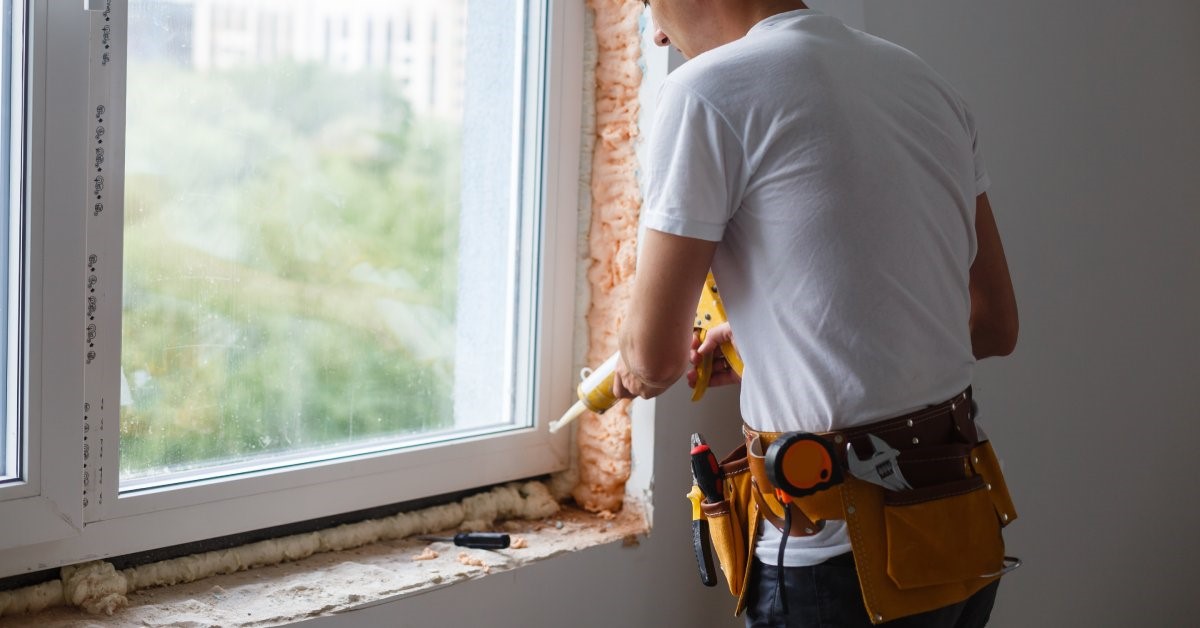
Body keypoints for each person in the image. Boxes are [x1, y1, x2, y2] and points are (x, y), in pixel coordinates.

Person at [612, 1, 1018, 627]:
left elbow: (654, 359)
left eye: (646, 6)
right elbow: (993, 323)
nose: (658, 32)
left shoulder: (704, 92)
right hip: (960, 535)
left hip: (836, 570)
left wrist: (630, 371)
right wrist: (777, 345)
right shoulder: (923, 82)